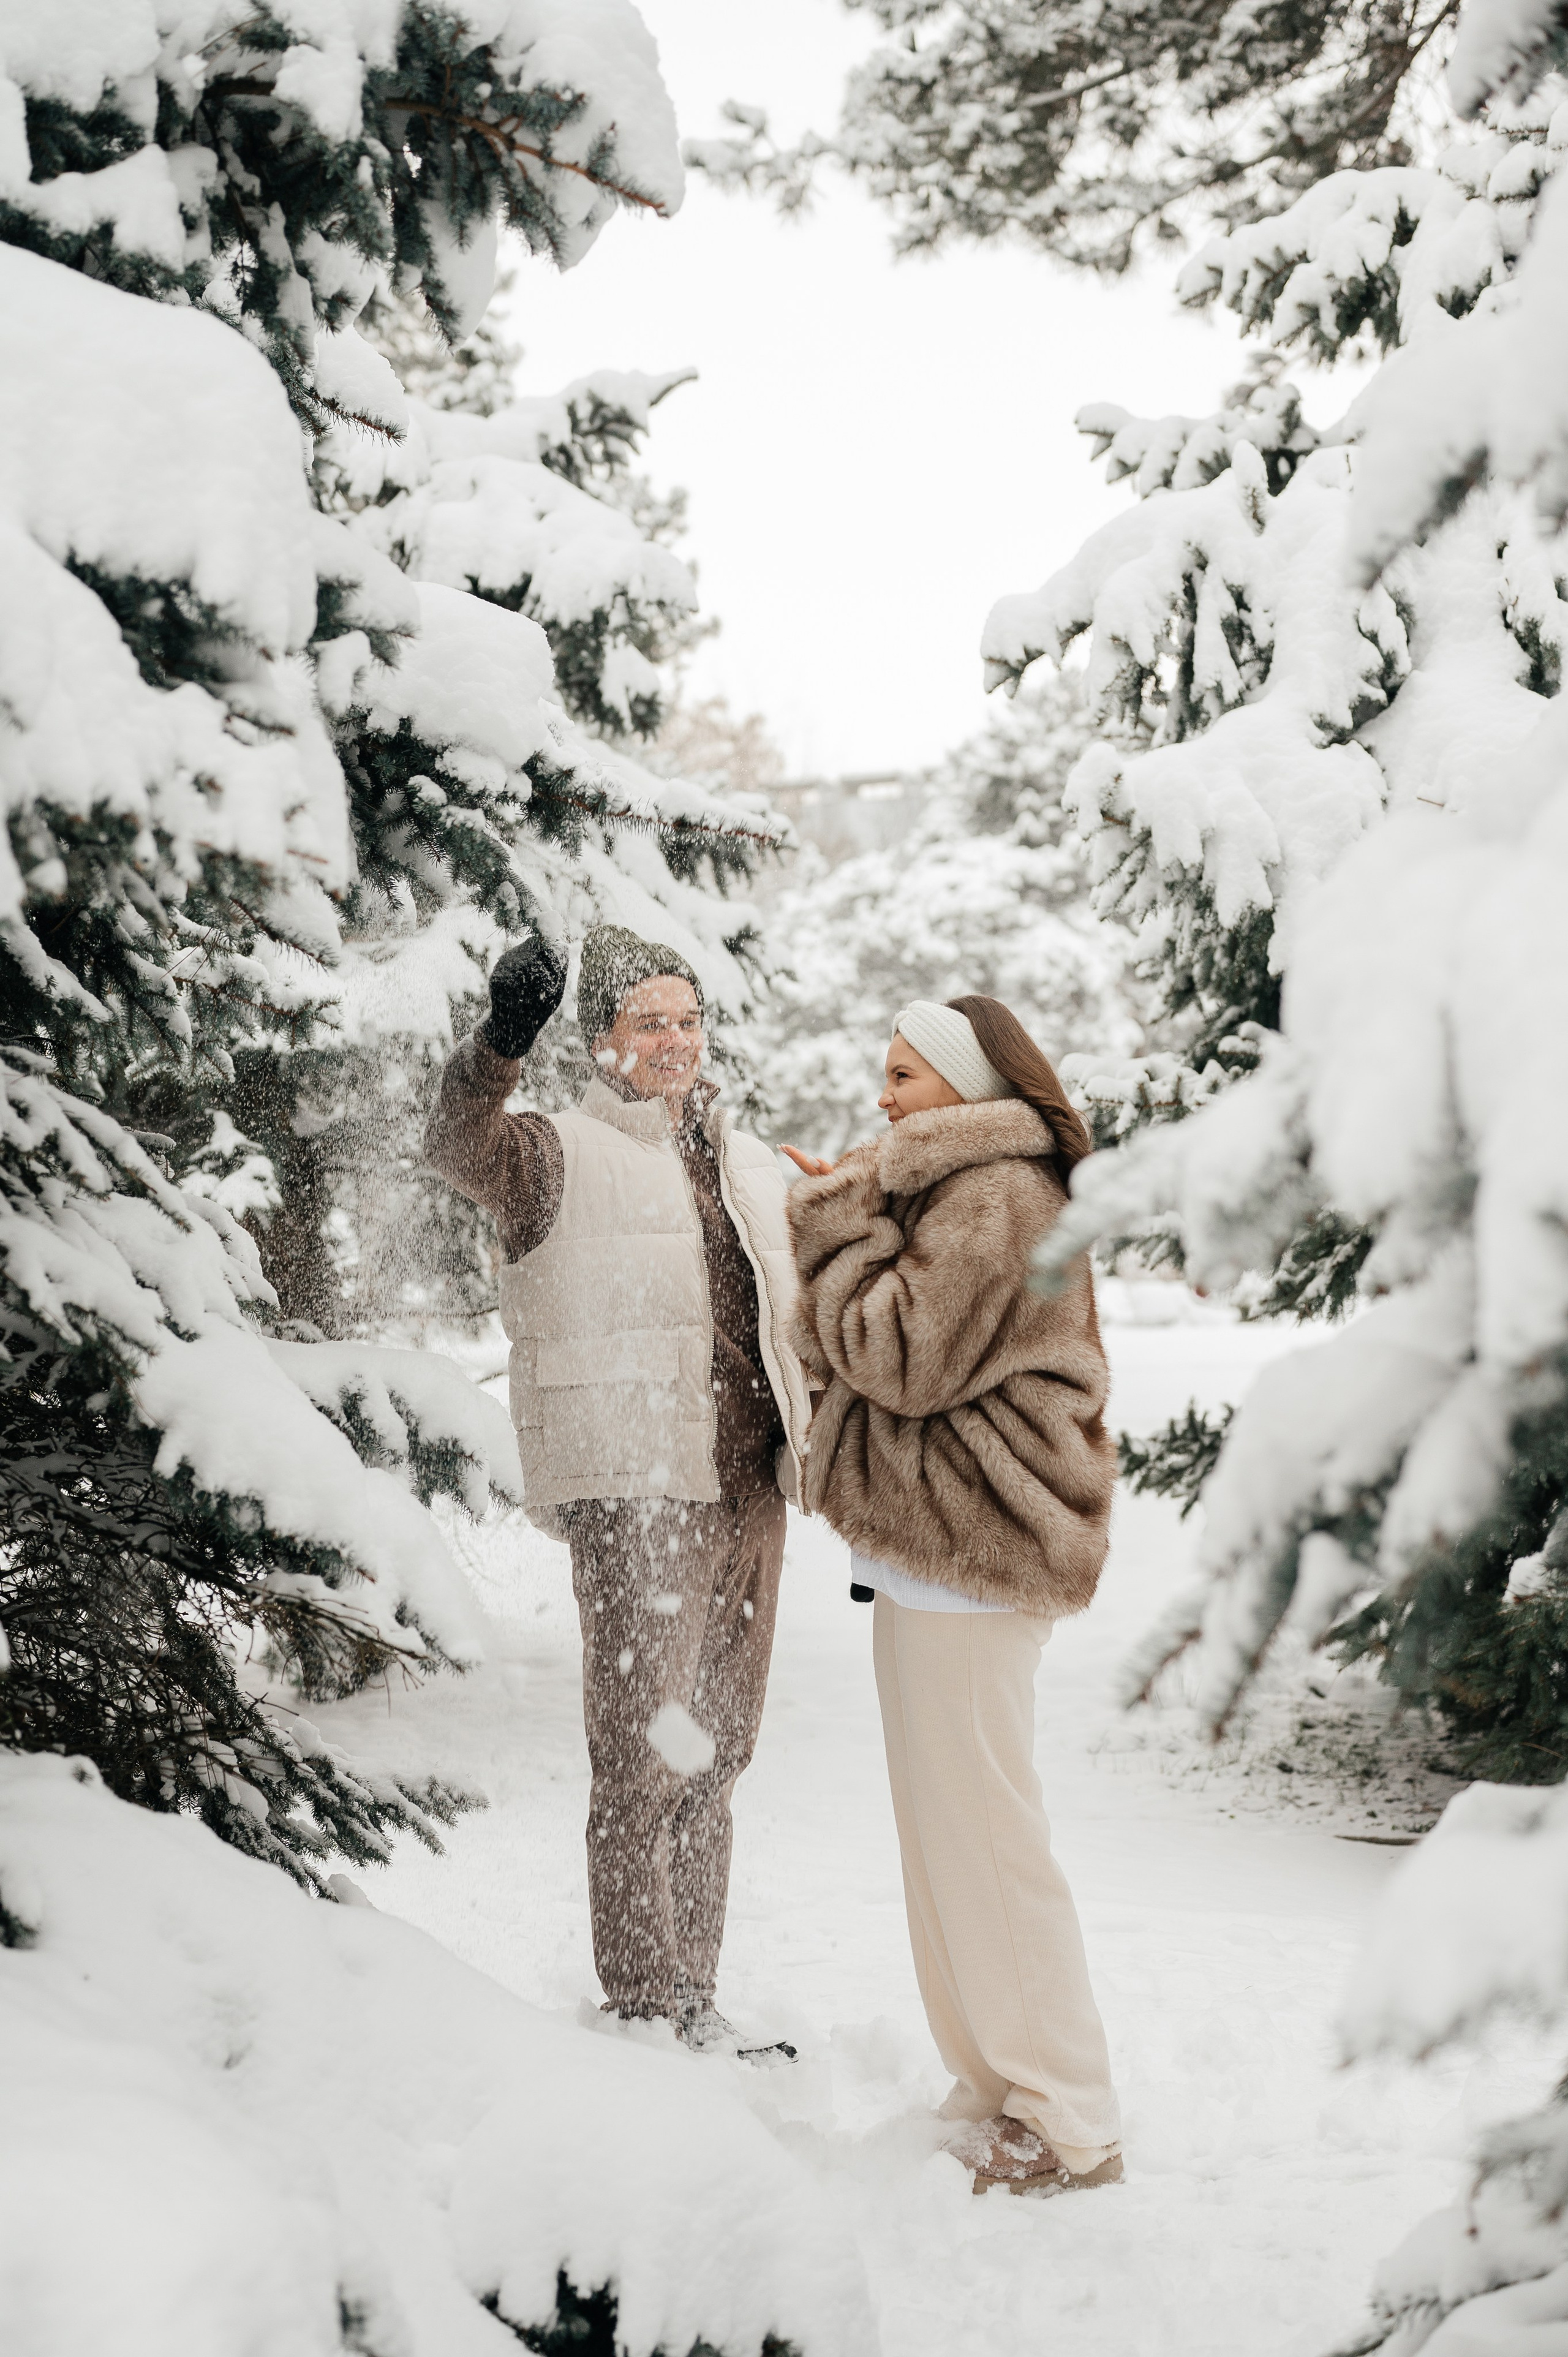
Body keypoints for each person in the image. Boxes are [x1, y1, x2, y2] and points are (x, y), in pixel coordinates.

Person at [424, 921, 813, 2057]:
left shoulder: (742, 1155)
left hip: (750, 1488)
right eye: (651, 1023)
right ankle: (648, 2006)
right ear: (601, 1043)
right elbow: (453, 1142)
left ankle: (698, 1993)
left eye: (689, 1021)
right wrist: (498, 1044)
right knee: (647, 1758)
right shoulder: (552, 1154)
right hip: (639, 1490)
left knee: (721, 1755)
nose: (677, 1043)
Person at [782, 995, 1122, 2197]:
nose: (883, 1096)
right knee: (945, 1842)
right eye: (882, 1074)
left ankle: (1068, 2115)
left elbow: (892, 1354)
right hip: (941, 1555)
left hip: (980, 1554)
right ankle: (990, 2077)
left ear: (965, 1084)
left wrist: (829, 1220)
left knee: (985, 1837)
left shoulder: (996, 1191)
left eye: (903, 1076)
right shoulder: (955, 1190)